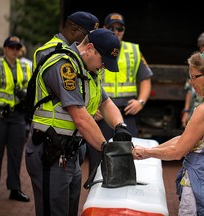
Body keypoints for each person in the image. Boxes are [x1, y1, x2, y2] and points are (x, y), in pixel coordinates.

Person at [25, 28, 132, 216]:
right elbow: (81, 118)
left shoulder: (89, 70)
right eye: (103, 61)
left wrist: (120, 126)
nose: (104, 67)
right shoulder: (64, 67)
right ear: (89, 48)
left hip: (69, 155)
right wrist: (107, 149)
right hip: (50, 153)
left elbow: (105, 102)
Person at [133, 49, 204, 215]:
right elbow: (186, 138)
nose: (191, 82)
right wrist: (151, 149)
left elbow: (178, 152)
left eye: (194, 76)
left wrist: (146, 152)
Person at [86, 12, 153, 174]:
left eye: (120, 29)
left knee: (128, 157)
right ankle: (95, 198)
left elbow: (145, 79)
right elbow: (84, 83)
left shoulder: (133, 50)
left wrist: (141, 101)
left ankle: (125, 195)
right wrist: (90, 109)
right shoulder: (93, 50)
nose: (116, 32)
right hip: (101, 114)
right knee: (98, 161)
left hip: (125, 113)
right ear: (103, 28)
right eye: (111, 28)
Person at [31, 11, 99, 166]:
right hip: (53, 136)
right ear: (74, 29)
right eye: (88, 36)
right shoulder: (53, 52)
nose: (91, 42)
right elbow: (66, 93)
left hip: (73, 134)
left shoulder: (75, 53)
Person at [0, 36, 32, 202]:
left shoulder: (25, 66)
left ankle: (15, 189)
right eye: (11, 47)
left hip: (18, 116)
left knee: (16, 154)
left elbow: (31, 89)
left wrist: (25, 96)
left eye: (17, 48)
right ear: (4, 49)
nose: (14, 51)